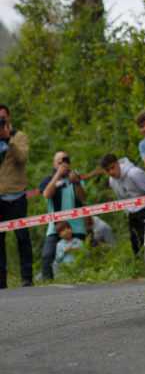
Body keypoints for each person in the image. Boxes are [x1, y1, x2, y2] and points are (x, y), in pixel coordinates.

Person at [39, 151, 87, 280]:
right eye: (59, 162)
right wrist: (58, 175)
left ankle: (83, 279)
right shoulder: (49, 180)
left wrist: (76, 183)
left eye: (65, 161)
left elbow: (83, 199)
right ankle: (47, 282)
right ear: (54, 164)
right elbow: (46, 194)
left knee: (78, 255)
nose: (62, 165)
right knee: (47, 255)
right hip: (55, 227)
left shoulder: (75, 177)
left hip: (76, 227)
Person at [0, 104, 33, 288]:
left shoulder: (19, 136)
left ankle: (27, 277)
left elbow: (22, 158)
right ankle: (1, 281)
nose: (1, 122)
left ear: (9, 117)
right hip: (0, 196)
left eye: (3, 118)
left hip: (17, 195)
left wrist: (9, 140)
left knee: (22, 237)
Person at [100, 153, 145, 254]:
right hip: (132, 212)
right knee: (136, 244)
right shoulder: (112, 181)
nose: (111, 172)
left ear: (118, 163)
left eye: (112, 167)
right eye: (107, 170)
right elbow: (121, 199)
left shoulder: (134, 173)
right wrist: (127, 212)